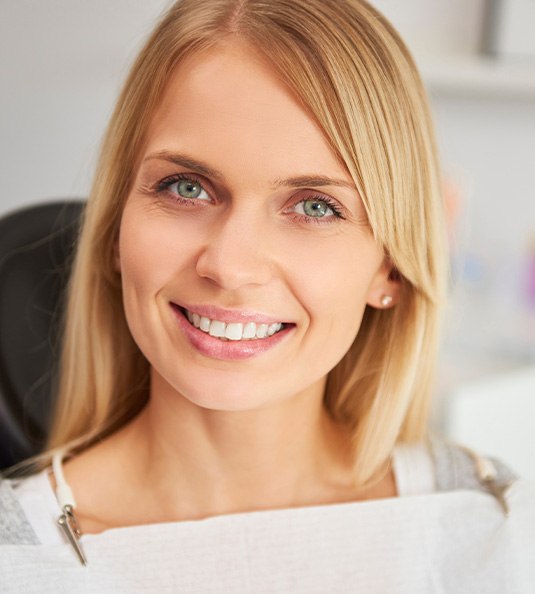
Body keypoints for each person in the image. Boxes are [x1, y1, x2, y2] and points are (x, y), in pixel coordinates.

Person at [1, 0, 533, 591]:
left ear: (390, 270)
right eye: (186, 187)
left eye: (314, 207)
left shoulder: (490, 526)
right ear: (116, 232)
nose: (229, 266)